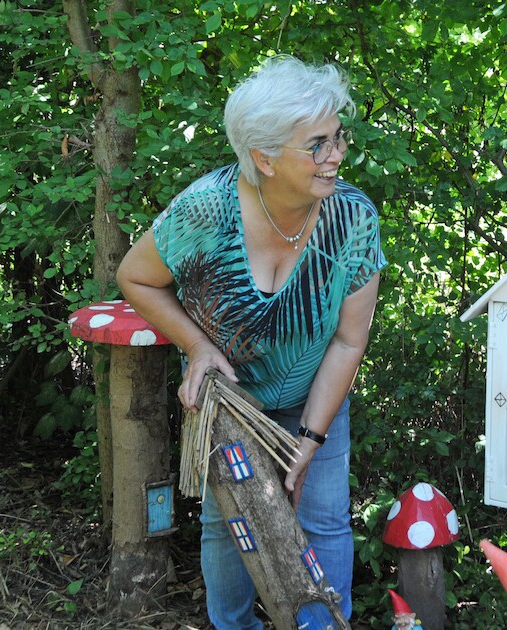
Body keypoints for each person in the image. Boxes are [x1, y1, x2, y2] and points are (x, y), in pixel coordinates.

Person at [117, 55, 385, 627]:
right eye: (317, 144)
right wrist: (197, 346)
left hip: (315, 397)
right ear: (264, 157)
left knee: (324, 521)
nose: (336, 154)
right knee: (229, 525)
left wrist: (310, 437)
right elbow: (135, 277)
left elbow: (348, 340)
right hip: (231, 404)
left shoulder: (353, 220)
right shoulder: (206, 210)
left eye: (339, 137)